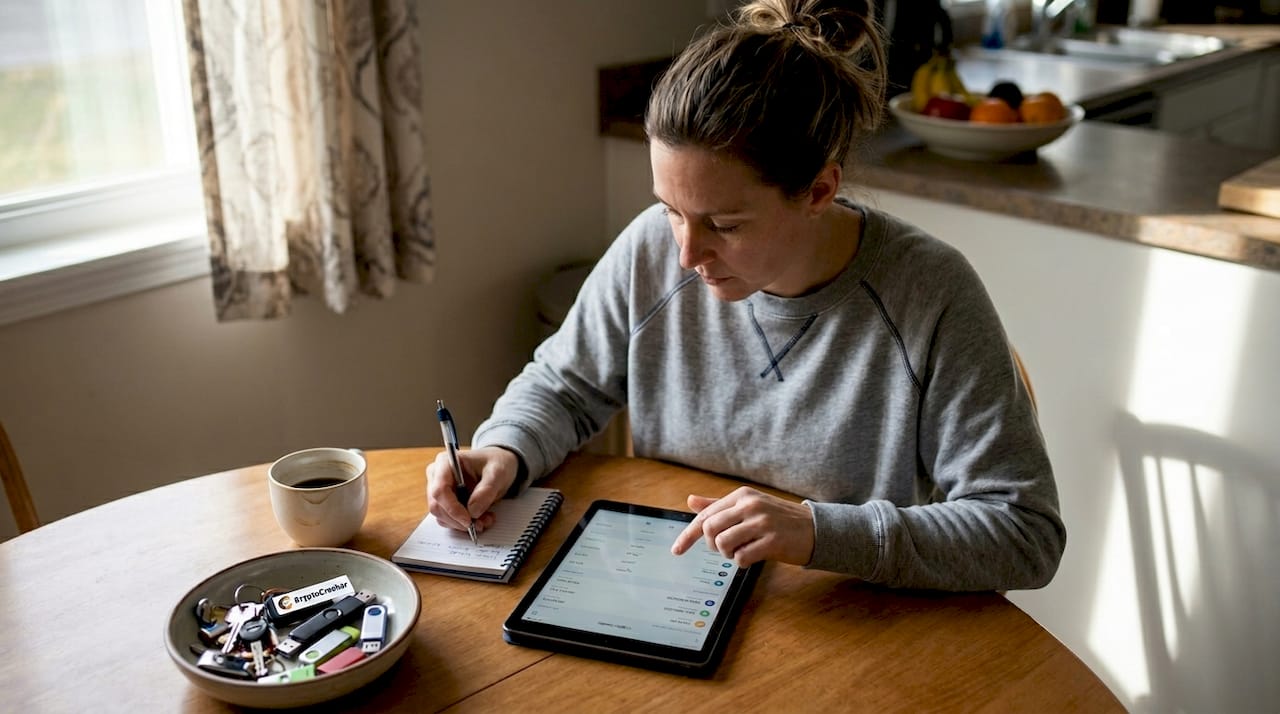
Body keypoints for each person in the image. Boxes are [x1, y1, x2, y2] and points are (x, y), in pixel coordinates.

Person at [427, 0, 1065, 592]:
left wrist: (819, 533)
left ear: (818, 191)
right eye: (671, 210)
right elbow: (564, 387)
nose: (685, 253)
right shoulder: (652, 247)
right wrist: (505, 447)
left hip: (852, 624)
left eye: (724, 225)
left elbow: (1024, 531)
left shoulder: (931, 295)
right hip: (675, 589)